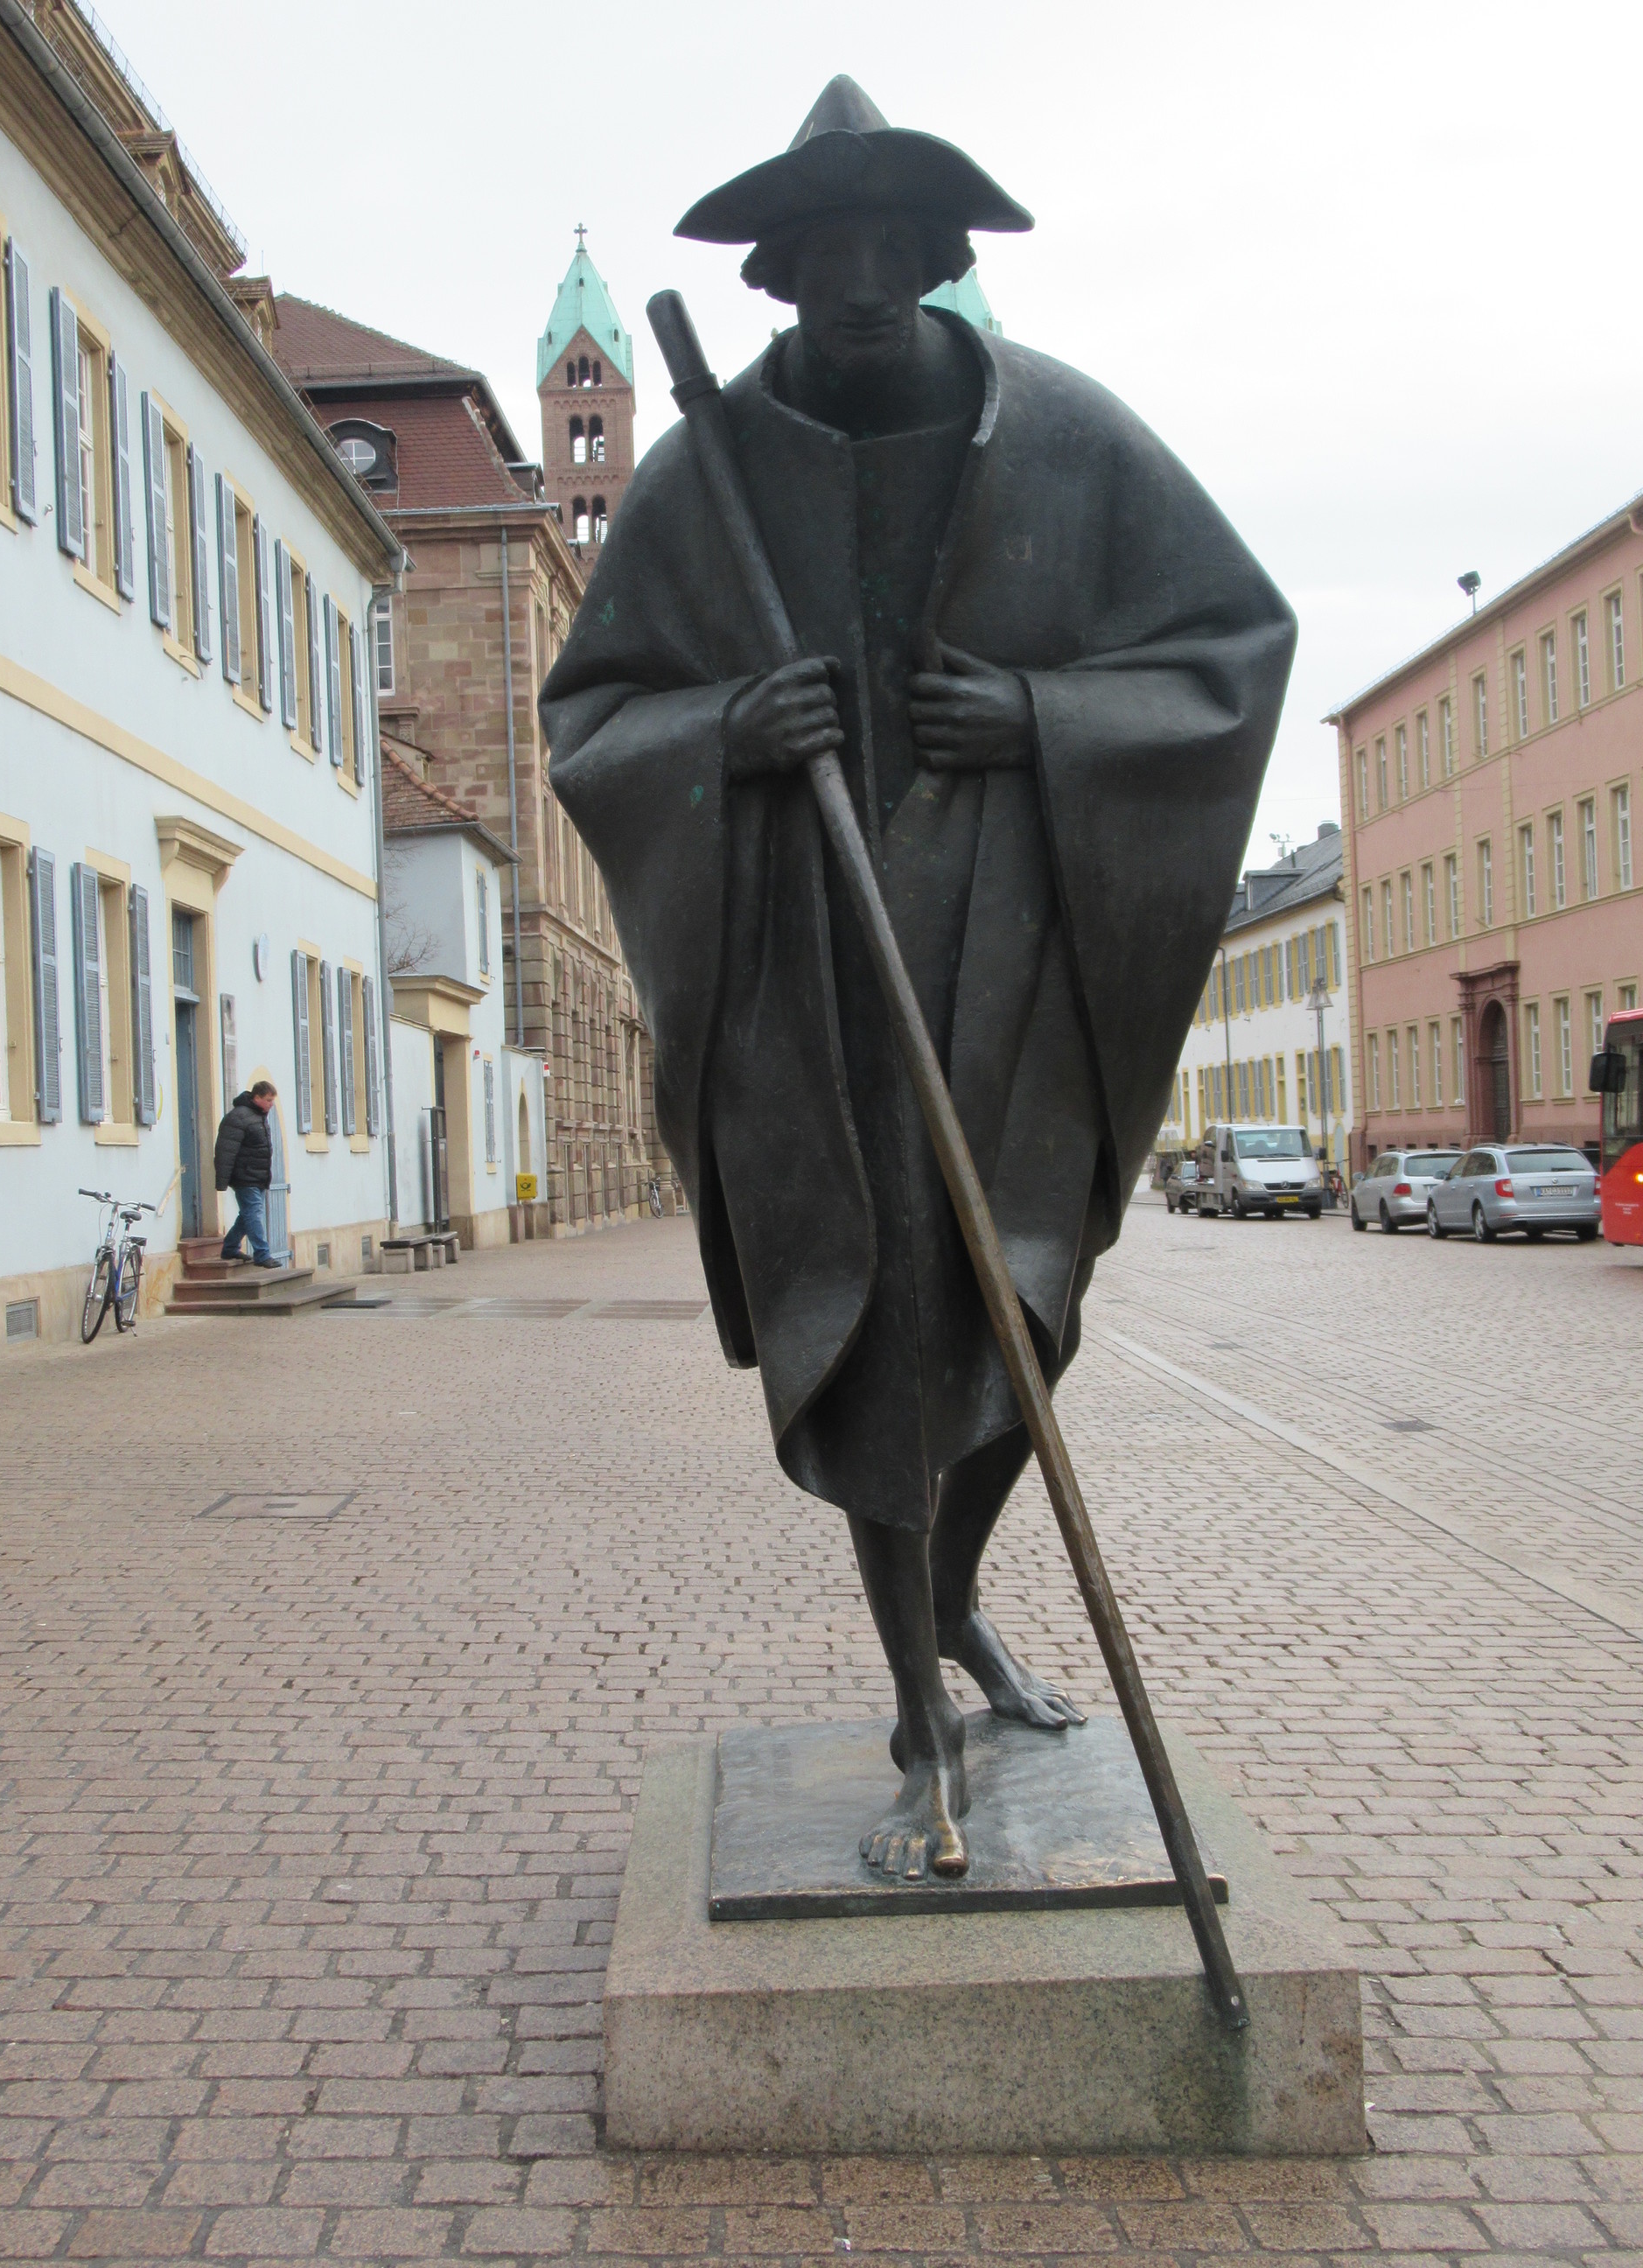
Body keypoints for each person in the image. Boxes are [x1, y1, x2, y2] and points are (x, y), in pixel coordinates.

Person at [542, 79, 1295, 1883]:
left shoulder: (1065, 435)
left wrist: (1037, 715)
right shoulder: (703, 472)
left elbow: (1229, 649)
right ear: (779, 274)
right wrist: (728, 732)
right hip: (813, 967)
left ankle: (951, 1606)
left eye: (898, 246)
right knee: (872, 1330)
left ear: (942, 256)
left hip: (1016, 957)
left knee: (1023, 1313)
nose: (867, 281)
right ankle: (916, 1718)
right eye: (831, 252)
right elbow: (595, 718)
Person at [214, 1081, 281, 1268]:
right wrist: (222, 1180)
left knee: (247, 1215)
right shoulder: (238, 1117)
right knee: (253, 1214)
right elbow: (225, 1150)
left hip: (258, 1176)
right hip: (244, 1177)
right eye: (268, 1100)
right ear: (256, 1097)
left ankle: (230, 1247)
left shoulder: (258, 1116)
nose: (271, 1104)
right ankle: (262, 1254)